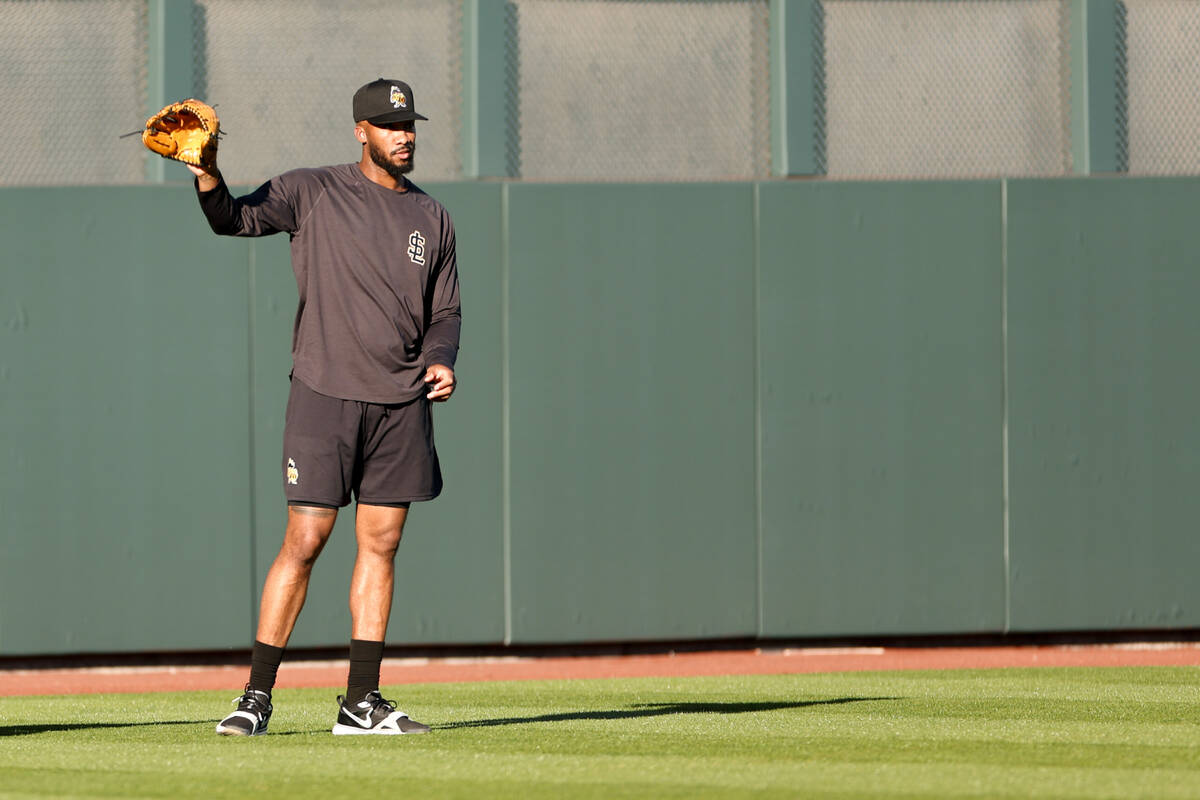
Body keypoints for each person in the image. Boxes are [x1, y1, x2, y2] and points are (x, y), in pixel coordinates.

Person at [187, 78, 460, 736]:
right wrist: (206, 171)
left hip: (400, 402)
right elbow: (234, 219)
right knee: (306, 540)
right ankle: (256, 694)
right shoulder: (313, 190)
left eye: (409, 125)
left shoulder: (432, 217)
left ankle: (360, 701)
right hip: (325, 394)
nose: (405, 135)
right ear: (360, 131)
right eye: (390, 125)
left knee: (382, 543)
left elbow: (445, 310)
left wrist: (443, 357)